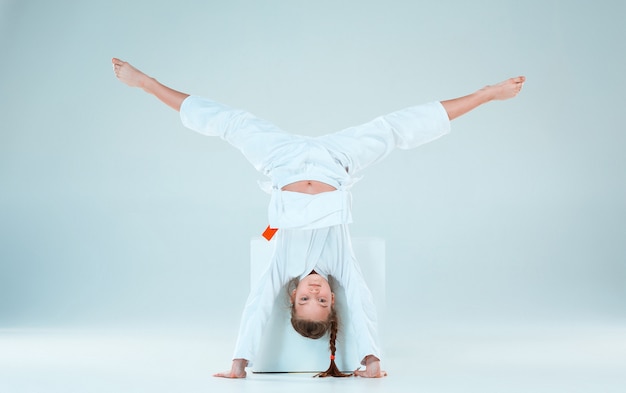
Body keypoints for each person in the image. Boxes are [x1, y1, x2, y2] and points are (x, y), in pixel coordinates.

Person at [112, 57, 525, 378]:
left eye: (306, 299)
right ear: (332, 301)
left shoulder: (283, 267)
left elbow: (256, 307)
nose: (315, 291)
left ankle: (145, 83)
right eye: (324, 300)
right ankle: (488, 94)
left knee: (229, 123)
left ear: (291, 298)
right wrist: (372, 358)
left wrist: (239, 362)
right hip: (337, 162)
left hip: (281, 160)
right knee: (395, 128)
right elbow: (361, 304)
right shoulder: (339, 265)